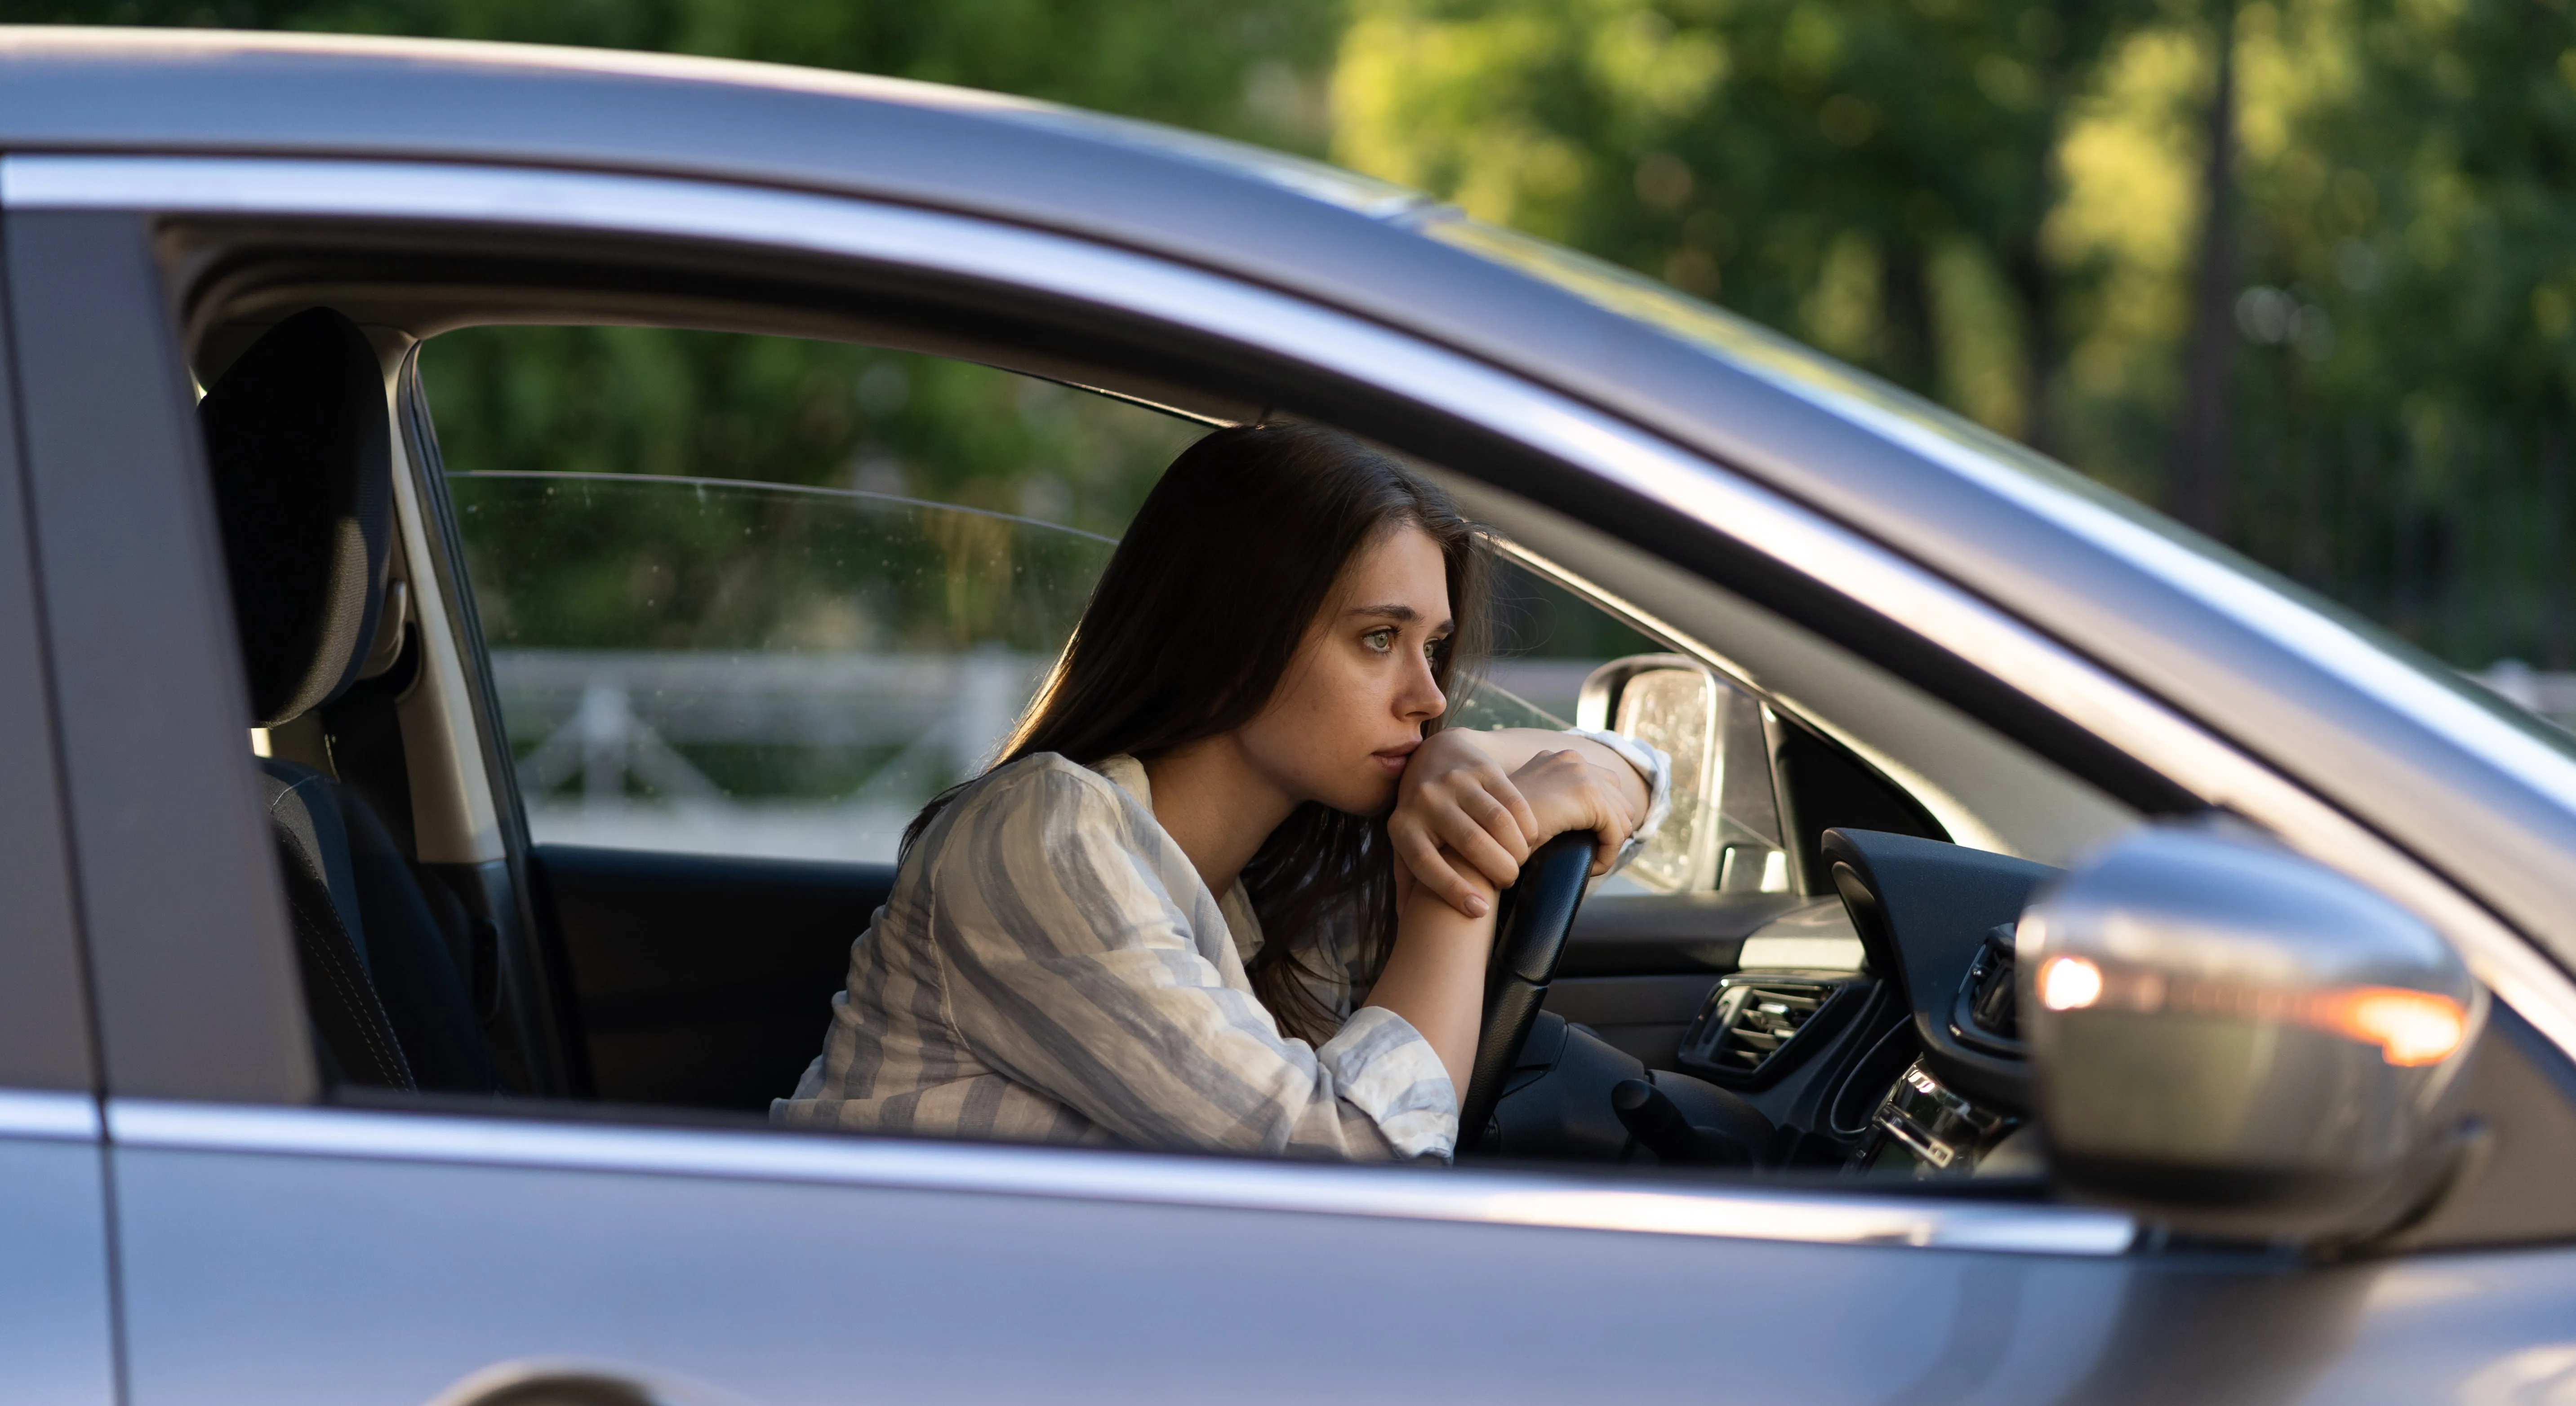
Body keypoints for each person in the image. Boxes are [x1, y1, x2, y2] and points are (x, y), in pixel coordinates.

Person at [774, 423, 1668, 1162]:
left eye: (1431, 647)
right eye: (1377, 639)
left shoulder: (1286, 873)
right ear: (1239, 634)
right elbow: (1352, 1173)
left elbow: (1634, 779)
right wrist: (1464, 870)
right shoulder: (1044, 835)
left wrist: (1468, 762)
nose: (1427, 697)